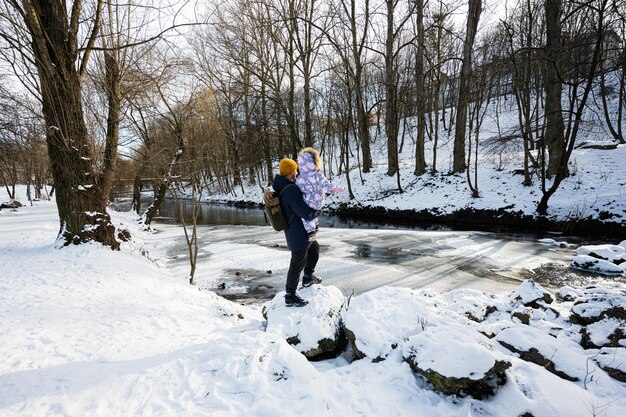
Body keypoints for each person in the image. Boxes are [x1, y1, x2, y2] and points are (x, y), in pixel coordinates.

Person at [272, 158, 322, 307]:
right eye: (295, 170)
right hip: (298, 233)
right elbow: (304, 212)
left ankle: (307, 278)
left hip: (297, 230)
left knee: (314, 249)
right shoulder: (291, 190)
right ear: (290, 172)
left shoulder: (283, 186)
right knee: (297, 263)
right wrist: (317, 210)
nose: (297, 172)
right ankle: (290, 295)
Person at [296, 147, 343, 241]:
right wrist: (333, 189)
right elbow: (325, 185)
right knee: (314, 212)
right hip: (318, 200)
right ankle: (316, 226)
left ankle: (311, 232)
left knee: (305, 217)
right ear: (314, 162)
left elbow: (298, 190)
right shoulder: (317, 175)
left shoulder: (299, 178)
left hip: (307, 201)